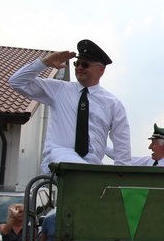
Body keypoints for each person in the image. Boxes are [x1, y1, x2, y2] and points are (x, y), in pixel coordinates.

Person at [8, 39, 131, 173]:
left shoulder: (113, 104)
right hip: (59, 165)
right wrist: (44, 63)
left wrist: (122, 177)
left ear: (101, 70)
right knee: (67, 159)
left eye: (85, 64)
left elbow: (122, 148)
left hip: (91, 170)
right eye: (77, 63)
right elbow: (16, 82)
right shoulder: (58, 89)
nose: (79, 68)